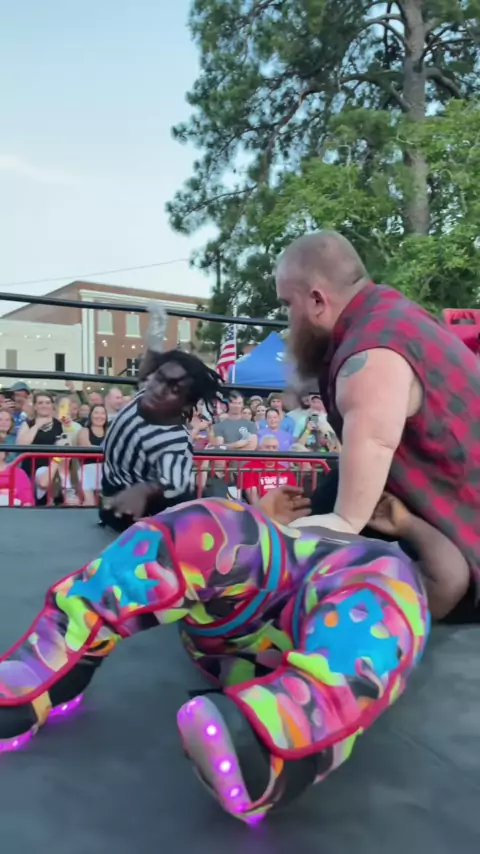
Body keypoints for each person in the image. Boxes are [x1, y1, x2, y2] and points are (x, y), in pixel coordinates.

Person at [4, 486, 472, 822]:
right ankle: (52, 662)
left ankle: (280, 740)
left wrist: (407, 525)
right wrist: (257, 514)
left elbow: (449, 580)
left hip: (327, 618)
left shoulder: (391, 572)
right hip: (257, 579)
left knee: (387, 579)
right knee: (208, 522)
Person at [276, 229, 480, 613]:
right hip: (451, 520)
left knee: (300, 559)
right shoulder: (394, 315)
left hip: (468, 547)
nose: (288, 320)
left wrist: (266, 535)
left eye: (288, 304)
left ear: (317, 300)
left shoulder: (369, 355)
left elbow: (346, 519)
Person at [100, 346, 224, 532]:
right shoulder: (145, 395)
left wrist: (144, 491)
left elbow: (176, 483)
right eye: (159, 378)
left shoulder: (174, 443)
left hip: (148, 513)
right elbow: (147, 369)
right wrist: (154, 342)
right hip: (115, 488)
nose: (158, 390)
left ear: (186, 404)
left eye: (174, 389)